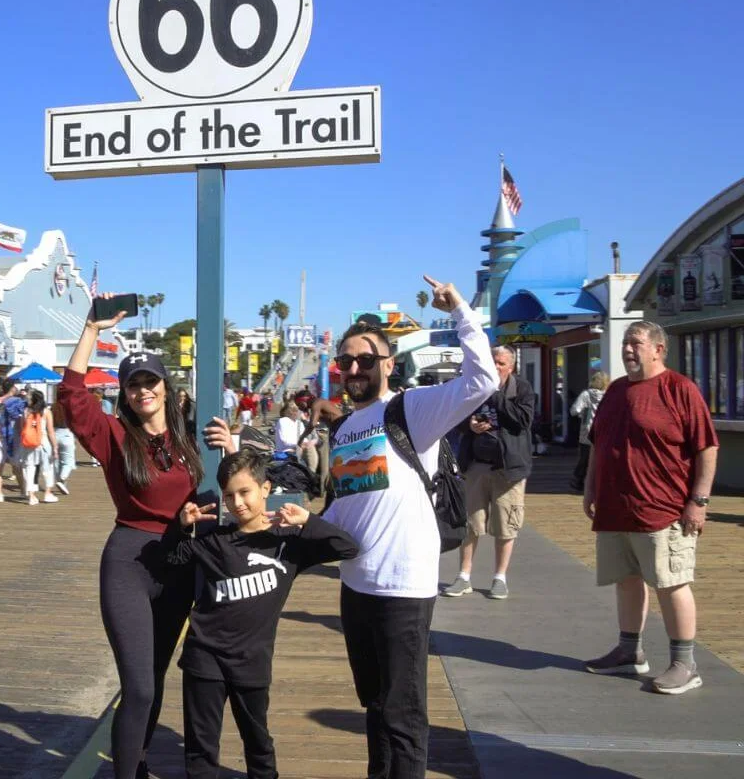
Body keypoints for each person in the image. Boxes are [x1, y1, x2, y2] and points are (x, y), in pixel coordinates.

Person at [323, 276, 498, 779]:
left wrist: (460, 310)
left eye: (365, 360)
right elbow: (347, 507)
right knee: (375, 703)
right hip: (355, 583)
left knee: (402, 711)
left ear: (388, 364)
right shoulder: (344, 427)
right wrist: (300, 524)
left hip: (401, 586)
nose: (353, 369)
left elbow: (482, 379)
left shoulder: (411, 409)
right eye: (346, 361)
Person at [59, 296, 235, 778]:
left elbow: (236, 484)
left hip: (179, 562)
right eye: (133, 384)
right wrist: (92, 330)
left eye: (149, 381)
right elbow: (72, 399)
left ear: (166, 387)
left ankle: (134, 766)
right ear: (126, 393)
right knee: (136, 686)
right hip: (130, 560)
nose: (142, 391)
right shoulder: (114, 435)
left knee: (154, 681)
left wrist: (232, 448)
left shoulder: (191, 440)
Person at [162, 449, 360, 778]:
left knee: (257, 742)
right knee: (201, 746)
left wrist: (308, 522)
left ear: (265, 489)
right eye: (229, 496)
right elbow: (170, 559)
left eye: (245, 492)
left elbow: (347, 547)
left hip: (252, 663)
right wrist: (181, 527)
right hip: (204, 658)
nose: (237, 502)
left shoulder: (287, 544)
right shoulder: (216, 542)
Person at [583, 321, 718, 695]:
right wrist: (590, 487)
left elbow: (707, 448)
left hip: (664, 508)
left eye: (636, 342)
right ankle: (629, 652)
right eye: (626, 342)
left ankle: (684, 664)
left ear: (658, 349)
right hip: (616, 508)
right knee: (626, 580)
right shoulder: (614, 391)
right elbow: (597, 443)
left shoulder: (680, 389)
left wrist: (699, 501)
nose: (628, 348)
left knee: (671, 583)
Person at [442, 345, 536, 600]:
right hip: (477, 465)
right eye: (492, 361)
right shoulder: (474, 386)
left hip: (509, 469)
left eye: (501, 363)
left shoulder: (522, 389)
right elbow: (456, 418)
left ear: (511, 367)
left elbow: (522, 420)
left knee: (506, 525)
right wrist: (469, 425)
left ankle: (499, 578)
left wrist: (495, 394)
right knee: (471, 524)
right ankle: (463, 576)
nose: (495, 366)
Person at [568, 371, 608, 492]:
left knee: (585, 458)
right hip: (603, 430)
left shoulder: (586, 395)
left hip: (587, 431)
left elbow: (574, 410)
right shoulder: (609, 394)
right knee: (602, 458)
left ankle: (578, 481)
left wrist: (582, 413)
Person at [0, 378, 25, 503]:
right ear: (12, 388)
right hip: (14, 439)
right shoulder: (18, 402)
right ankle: (22, 491)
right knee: (17, 468)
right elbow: (21, 420)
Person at [21, 389, 59, 505]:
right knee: (47, 469)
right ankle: (48, 493)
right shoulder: (46, 412)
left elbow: (23, 429)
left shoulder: (26, 411)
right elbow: (51, 431)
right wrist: (55, 447)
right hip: (43, 443)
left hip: (29, 444)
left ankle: (32, 497)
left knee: (30, 468)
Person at [52, 398, 76, 495]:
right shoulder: (70, 407)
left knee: (57, 462)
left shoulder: (53, 407)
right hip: (67, 434)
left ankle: (62, 484)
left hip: (55, 434)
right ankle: (62, 478)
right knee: (68, 462)